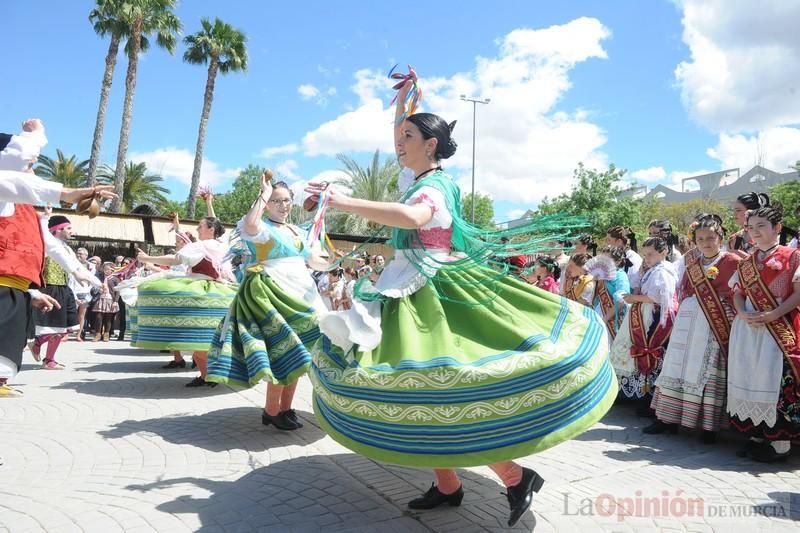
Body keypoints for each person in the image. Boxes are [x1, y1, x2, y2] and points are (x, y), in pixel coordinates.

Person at [305, 83, 615, 527]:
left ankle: (515, 477)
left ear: (431, 146)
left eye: (409, 138)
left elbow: (413, 220)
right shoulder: (415, 178)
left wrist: (339, 201)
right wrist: (402, 105)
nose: (399, 143)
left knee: (446, 383)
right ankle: (449, 486)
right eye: (400, 137)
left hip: (433, 287)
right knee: (424, 390)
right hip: (404, 283)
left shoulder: (435, 188)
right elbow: (403, 142)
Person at [0, 118, 114, 394]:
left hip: (14, 287)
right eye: (29, 162)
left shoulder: (25, 208)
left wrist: (79, 271)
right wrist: (70, 193)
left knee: (8, 337)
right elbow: (19, 177)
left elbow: (50, 245)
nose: (33, 166)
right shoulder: (5, 189)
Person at [206, 176, 328, 429]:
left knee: (300, 353)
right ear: (267, 203)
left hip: (302, 291)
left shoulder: (296, 231)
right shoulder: (260, 226)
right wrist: (264, 192)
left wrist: (335, 262)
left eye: (286, 200)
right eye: (276, 201)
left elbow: (313, 259)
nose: (283, 205)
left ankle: (286, 408)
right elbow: (249, 224)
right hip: (273, 290)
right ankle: (272, 410)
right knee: (281, 352)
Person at [648, 215, 740, 442]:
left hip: (712, 325)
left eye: (711, 238)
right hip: (687, 323)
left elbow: (738, 293)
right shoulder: (691, 261)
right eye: (701, 238)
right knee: (677, 367)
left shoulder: (733, 261)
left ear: (720, 237)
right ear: (694, 240)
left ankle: (708, 427)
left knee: (706, 371)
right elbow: (682, 288)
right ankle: (667, 419)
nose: (706, 242)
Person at [727, 205, 800, 462]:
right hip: (748, 328)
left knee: (774, 379)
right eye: (751, 227)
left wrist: (774, 314)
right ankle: (756, 435)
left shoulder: (793, 257)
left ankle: (779, 444)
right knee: (750, 375)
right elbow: (737, 292)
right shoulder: (747, 262)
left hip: (778, 329)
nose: (755, 232)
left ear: (777, 228)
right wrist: (741, 313)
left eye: (761, 226)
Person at [135, 216, 237, 387]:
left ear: (211, 230)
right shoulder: (223, 246)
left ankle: (209, 376)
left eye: (200, 226)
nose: (197, 230)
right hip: (223, 291)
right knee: (212, 338)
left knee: (198, 343)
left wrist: (147, 259)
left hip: (201, 290)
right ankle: (209, 375)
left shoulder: (199, 246)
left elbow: (175, 259)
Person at [610, 237, 678, 416]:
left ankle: (650, 399)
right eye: (645, 254)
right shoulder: (654, 269)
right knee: (643, 351)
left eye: (650, 254)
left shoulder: (663, 271)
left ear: (663, 253)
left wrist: (633, 299)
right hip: (647, 313)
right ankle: (644, 395)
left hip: (654, 317)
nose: (647, 258)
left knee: (650, 352)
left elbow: (657, 298)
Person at [30, 212, 84, 368]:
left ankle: (46, 355)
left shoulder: (67, 249)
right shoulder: (45, 246)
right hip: (49, 288)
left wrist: (94, 284)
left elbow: (77, 269)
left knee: (67, 328)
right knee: (56, 327)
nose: (71, 231)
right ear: (57, 230)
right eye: (68, 228)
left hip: (64, 289)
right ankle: (42, 349)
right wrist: (45, 217)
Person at [586, 246, 630, 341]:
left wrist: (605, 319)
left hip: (613, 318)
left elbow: (622, 301)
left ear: (617, 262)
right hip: (598, 312)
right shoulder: (601, 276)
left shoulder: (621, 277)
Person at [91, 262, 120, 342]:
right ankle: (98, 334)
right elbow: (93, 287)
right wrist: (98, 290)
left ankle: (106, 334)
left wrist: (116, 301)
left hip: (110, 299)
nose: (106, 271)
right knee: (98, 317)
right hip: (100, 299)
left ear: (112, 270)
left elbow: (117, 291)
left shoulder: (115, 279)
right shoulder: (100, 277)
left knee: (108, 318)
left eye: (108, 269)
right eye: (105, 269)